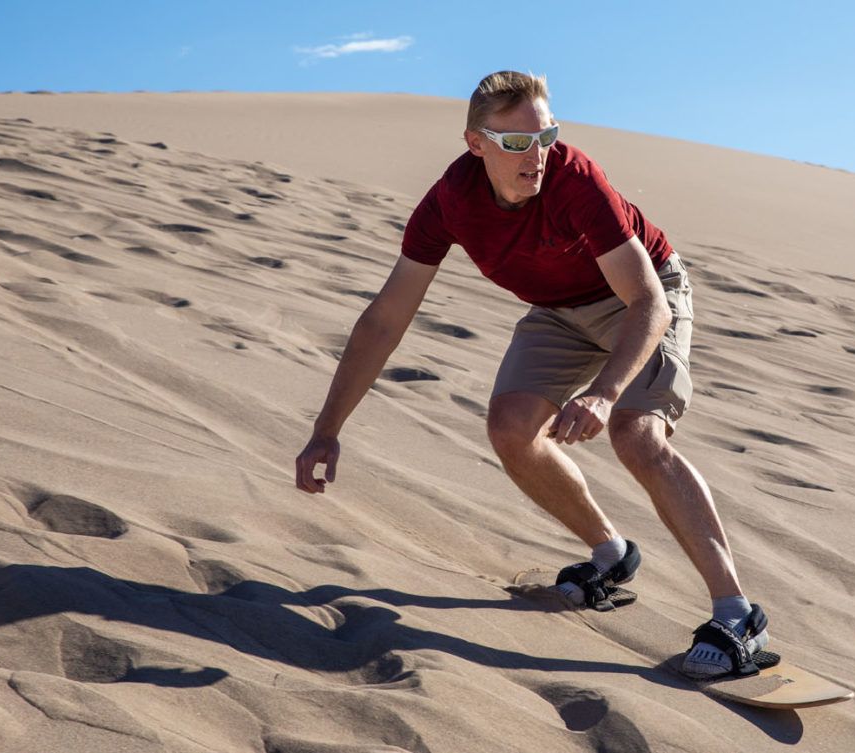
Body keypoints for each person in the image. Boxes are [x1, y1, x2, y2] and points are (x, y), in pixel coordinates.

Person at [296, 71, 769, 679]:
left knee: (635, 433)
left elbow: (648, 303)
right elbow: (386, 318)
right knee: (512, 428)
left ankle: (737, 615)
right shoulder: (450, 202)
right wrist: (327, 429)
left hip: (642, 297)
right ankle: (611, 556)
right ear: (476, 144)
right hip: (559, 310)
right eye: (516, 142)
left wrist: (603, 393)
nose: (537, 154)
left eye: (545, 135)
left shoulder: (574, 178)